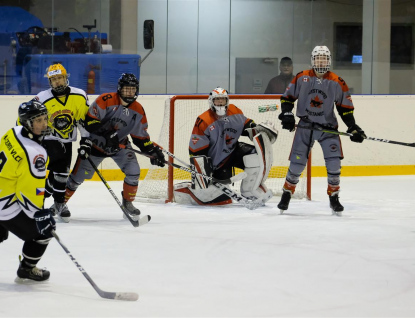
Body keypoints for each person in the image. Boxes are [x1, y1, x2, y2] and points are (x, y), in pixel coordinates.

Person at [63, 73, 165, 221]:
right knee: (76, 178)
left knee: (134, 171)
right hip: (95, 146)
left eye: (133, 89)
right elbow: (90, 122)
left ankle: (128, 204)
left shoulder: (138, 110)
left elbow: (140, 138)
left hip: (119, 147)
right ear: (119, 89)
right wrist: (107, 134)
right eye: (127, 89)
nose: (130, 92)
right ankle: (60, 204)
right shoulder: (106, 100)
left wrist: (152, 151)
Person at [277, 46, 366, 215]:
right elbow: (287, 98)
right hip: (305, 126)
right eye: (318, 58)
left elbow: (345, 108)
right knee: (297, 163)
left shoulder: (337, 81)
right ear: (313, 60)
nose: (321, 61)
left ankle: (334, 197)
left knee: (334, 163)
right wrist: (287, 114)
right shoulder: (301, 77)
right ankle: (287, 194)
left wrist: (352, 126)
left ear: (329, 60)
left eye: (324, 58)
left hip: (328, 129)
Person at [173, 87, 278, 206]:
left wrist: (259, 130)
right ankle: (188, 189)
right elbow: (196, 151)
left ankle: (250, 191)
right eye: (217, 100)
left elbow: (247, 127)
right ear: (211, 101)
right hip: (216, 162)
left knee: (255, 156)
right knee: (220, 199)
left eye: (222, 99)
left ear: (227, 100)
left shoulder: (235, 111)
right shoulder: (204, 120)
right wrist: (203, 172)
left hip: (233, 151)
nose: (220, 103)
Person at [0, 100, 56, 282]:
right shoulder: (35, 153)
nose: (44, 124)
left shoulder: (13, 132)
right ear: (27, 123)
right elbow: (28, 193)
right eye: (38, 120)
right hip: (4, 203)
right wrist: (40, 215)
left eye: (44, 118)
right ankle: (27, 269)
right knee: (43, 233)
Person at [32, 63, 90, 222]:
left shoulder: (79, 96)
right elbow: (28, 118)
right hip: (47, 139)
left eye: (60, 78)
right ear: (50, 82)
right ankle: (39, 202)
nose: (57, 82)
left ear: (66, 78)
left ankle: (58, 202)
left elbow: (83, 121)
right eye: (54, 79)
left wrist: (85, 141)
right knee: (52, 164)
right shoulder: (42, 98)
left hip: (68, 140)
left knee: (62, 173)